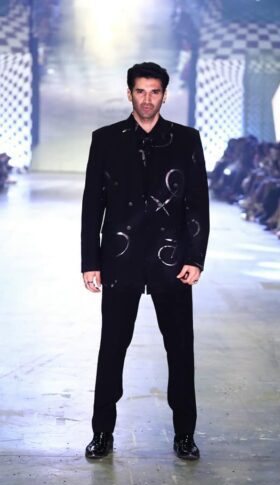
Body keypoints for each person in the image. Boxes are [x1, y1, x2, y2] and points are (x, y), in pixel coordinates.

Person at [80, 62, 209, 460]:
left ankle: (184, 435)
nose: (148, 98)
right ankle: (102, 433)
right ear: (129, 93)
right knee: (112, 348)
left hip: (172, 263)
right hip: (121, 260)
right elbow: (92, 204)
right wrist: (90, 261)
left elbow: (197, 204)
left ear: (165, 95)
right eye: (141, 91)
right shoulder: (106, 140)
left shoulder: (186, 140)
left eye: (155, 91)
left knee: (180, 351)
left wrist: (196, 258)